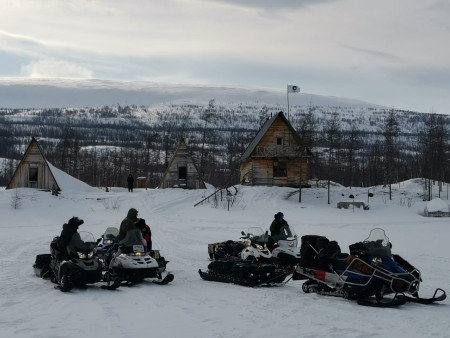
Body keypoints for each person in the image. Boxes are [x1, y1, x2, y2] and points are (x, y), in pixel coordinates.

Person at [58, 216, 95, 290]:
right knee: (66, 262)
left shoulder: (75, 232)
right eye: (77, 225)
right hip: (66, 250)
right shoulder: (66, 231)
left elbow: (78, 242)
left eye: (78, 225)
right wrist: (68, 246)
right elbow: (64, 242)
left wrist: (86, 246)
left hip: (74, 250)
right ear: (73, 224)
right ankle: (63, 278)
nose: (78, 227)